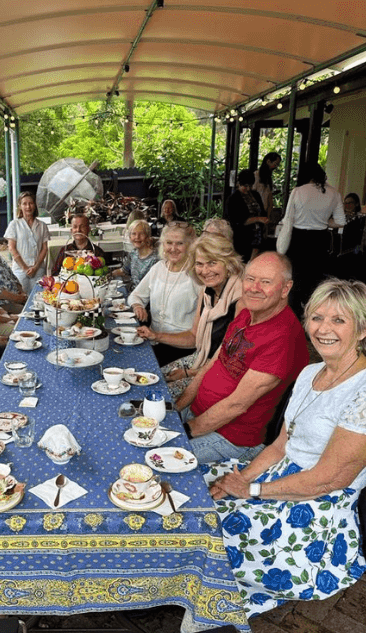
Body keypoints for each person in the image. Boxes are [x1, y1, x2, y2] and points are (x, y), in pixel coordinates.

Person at [206, 278, 366, 618]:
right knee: (201, 491)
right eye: (317, 317)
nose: (324, 329)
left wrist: (251, 489)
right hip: (279, 476)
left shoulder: (363, 391)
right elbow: (281, 444)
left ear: (363, 330)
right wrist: (240, 477)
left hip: (318, 503)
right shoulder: (310, 373)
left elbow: (330, 479)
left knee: (221, 539)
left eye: (339, 320)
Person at [178, 252, 310, 465]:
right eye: (250, 279)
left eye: (265, 282)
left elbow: (236, 405)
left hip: (232, 439)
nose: (254, 288)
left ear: (285, 288)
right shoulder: (247, 313)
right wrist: (178, 407)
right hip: (198, 416)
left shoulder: (283, 337)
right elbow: (213, 363)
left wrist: (184, 431)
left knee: (157, 458)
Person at [140, 234, 244, 400]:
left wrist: (188, 373)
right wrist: (155, 335)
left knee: (158, 396)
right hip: (200, 358)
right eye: (200, 264)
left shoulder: (240, 300)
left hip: (220, 372)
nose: (205, 271)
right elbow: (193, 337)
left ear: (228, 263)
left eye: (212, 263)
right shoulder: (206, 291)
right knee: (147, 378)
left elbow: (229, 359)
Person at [128, 221, 199, 365]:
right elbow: (135, 296)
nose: (173, 249)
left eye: (179, 243)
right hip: (154, 341)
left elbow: (196, 337)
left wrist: (156, 336)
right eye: (169, 243)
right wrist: (138, 306)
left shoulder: (196, 275)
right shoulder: (158, 268)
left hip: (180, 348)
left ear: (190, 246)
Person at [284, 161, 346, 313]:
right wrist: (323, 221)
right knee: (315, 279)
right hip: (320, 239)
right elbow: (340, 222)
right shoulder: (334, 193)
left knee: (295, 279)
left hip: (299, 238)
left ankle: (292, 316)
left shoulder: (298, 191)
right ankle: (311, 314)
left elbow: (288, 219)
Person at [3, 192, 49, 293]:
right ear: (20, 206)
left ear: (35, 205)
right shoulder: (14, 225)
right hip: (20, 269)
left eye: (31, 203)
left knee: (40, 296)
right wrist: (24, 268)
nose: (28, 207)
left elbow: (44, 248)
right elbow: (12, 248)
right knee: (22, 298)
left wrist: (35, 267)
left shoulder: (42, 226)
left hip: (38, 269)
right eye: (24, 204)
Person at [49, 211, 109, 276]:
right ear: (71, 231)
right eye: (75, 227)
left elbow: (104, 273)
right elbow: (55, 273)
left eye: (82, 226)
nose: (78, 230)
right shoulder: (65, 251)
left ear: (88, 229)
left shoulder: (97, 252)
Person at [225, 168, 267, 260]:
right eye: (245, 186)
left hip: (257, 237)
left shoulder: (255, 195)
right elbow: (237, 221)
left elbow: (262, 211)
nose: (248, 189)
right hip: (242, 238)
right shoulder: (233, 199)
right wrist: (258, 219)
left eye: (250, 186)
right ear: (239, 183)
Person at [115, 219, 160, 293]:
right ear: (130, 237)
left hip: (146, 299)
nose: (137, 237)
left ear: (148, 236)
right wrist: (108, 274)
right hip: (133, 293)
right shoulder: (133, 253)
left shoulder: (155, 259)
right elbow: (124, 271)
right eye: (133, 234)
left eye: (141, 234)